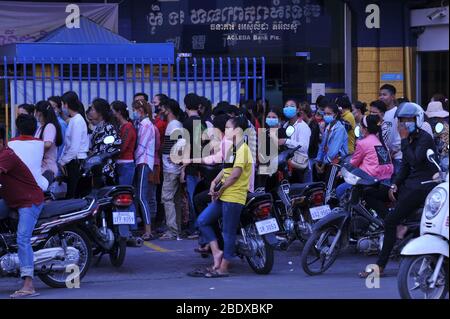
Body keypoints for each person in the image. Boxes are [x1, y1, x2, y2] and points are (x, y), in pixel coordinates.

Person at [359, 102, 438, 278]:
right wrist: (395, 184)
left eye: (408, 120)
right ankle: (401, 226)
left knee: (390, 222)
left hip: (422, 186)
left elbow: (416, 160)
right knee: (369, 192)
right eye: (401, 121)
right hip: (408, 184)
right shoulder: (410, 138)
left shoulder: (425, 138)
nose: (404, 124)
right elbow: (405, 166)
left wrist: (403, 140)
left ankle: (380, 266)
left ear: (416, 120)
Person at [196, 116, 253, 277]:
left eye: (228, 128)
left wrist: (220, 190)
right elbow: (225, 169)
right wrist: (214, 182)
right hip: (223, 195)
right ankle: (216, 253)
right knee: (202, 221)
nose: (224, 131)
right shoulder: (233, 148)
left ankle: (224, 267)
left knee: (228, 233)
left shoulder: (243, 149)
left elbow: (235, 175)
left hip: (234, 197)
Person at [0, 124, 45, 299]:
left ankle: (28, 285)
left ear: (3, 141)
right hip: (13, 201)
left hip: (29, 201)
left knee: (22, 238)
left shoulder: (6, 155)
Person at [336, 115, 394, 199]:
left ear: (365, 129)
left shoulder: (363, 143)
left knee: (340, 190)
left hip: (369, 180)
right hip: (385, 181)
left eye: (360, 126)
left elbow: (354, 163)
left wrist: (342, 171)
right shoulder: (380, 142)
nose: (359, 128)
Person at [182, 93, 207, 237]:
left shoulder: (188, 122)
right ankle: (198, 227)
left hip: (192, 166)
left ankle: (197, 228)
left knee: (193, 198)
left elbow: (188, 146)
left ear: (185, 105)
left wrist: (184, 168)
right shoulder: (201, 121)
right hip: (202, 165)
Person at [160, 99, 185, 240]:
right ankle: (176, 228)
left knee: (167, 198)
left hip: (171, 169)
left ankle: (172, 230)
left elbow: (180, 143)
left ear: (168, 109)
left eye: (162, 108)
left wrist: (175, 157)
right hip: (171, 167)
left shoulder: (174, 125)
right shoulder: (174, 124)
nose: (160, 111)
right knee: (173, 199)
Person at [58, 91, 89, 199]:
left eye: (62, 104)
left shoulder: (77, 121)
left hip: (76, 161)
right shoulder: (74, 120)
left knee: (73, 194)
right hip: (72, 161)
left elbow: (74, 148)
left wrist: (62, 161)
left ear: (66, 104)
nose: (62, 108)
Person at [132, 99, 156, 241]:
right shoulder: (142, 124)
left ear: (140, 111)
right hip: (142, 162)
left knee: (142, 197)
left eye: (134, 110)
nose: (134, 113)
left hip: (143, 162)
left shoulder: (146, 125)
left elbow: (141, 147)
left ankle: (148, 230)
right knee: (140, 196)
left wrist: (133, 159)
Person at [8, 115, 48, 192]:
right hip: (38, 185)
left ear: (18, 128)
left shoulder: (10, 143)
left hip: (15, 186)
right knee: (49, 172)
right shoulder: (40, 143)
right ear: (35, 128)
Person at [89, 98, 122, 189]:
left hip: (105, 170)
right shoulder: (98, 127)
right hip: (97, 168)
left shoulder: (108, 127)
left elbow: (113, 147)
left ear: (100, 112)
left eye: (92, 109)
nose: (90, 112)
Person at [315, 104, 348, 189]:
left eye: (329, 114)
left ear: (335, 114)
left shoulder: (339, 128)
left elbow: (333, 151)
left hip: (335, 163)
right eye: (325, 114)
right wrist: (318, 161)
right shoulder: (328, 127)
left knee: (329, 188)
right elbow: (323, 146)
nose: (326, 116)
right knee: (324, 186)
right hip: (327, 162)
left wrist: (323, 164)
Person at [280, 99, 311, 183]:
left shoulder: (302, 126)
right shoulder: (285, 125)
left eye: (292, 106)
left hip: (298, 166)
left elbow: (304, 147)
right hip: (287, 166)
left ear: (297, 110)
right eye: (286, 106)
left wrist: (286, 141)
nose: (288, 108)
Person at [34, 101, 64, 185]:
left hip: (47, 168)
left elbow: (47, 144)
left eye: (36, 112)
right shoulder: (41, 126)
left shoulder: (49, 126)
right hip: (42, 167)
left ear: (40, 113)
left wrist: (36, 153)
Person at [379, 84, 402, 176]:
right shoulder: (381, 114)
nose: (381, 97)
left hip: (397, 157)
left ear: (392, 97)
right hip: (384, 157)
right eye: (380, 94)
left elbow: (401, 134)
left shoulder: (398, 112)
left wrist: (394, 150)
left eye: (384, 95)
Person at [112, 101, 137, 186]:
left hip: (126, 163)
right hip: (120, 163)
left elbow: (123, 146)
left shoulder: (128, 126)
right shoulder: (120, 126)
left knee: (124, 192)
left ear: (119, 112)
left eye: (112, 111)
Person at [300, 102, 321, 183]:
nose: (300, 115)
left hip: (311, 156)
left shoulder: (314, 124)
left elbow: (311, 142)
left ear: (306, 113)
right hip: (305, 156)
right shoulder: (303, 123)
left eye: (301, 113)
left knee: (310, 178)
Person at [48, 96, 68, 161]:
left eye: (53, 108)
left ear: (59, 109)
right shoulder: (48, 123)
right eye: (49, 108)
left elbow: (63, 145)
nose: (50, 111)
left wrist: (58, 161)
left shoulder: (61, 124)